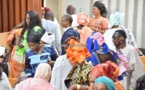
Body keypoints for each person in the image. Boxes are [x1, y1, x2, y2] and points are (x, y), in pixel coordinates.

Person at [8, 10, 43, 78]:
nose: (27, 20)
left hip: (30, 56)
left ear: (34, 19)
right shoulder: (26, 29)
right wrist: (19, 46)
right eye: (26, 18)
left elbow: (38, 43)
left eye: (29, 19)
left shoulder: (37, 29)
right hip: (21, 55)